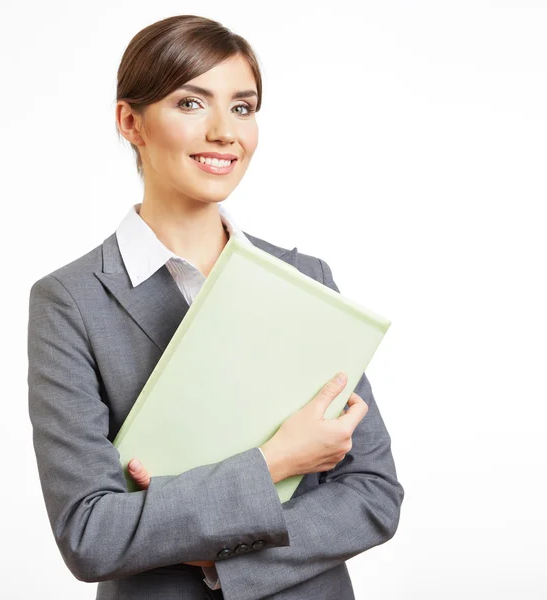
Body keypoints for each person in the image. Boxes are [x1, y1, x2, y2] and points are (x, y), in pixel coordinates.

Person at [27, 14, 405, 600]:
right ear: (132, 122)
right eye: (190, 104)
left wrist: (215, 555)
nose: (225, 132)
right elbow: (90, 531)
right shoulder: (70, 302)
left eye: (243, 107)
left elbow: (374, 494)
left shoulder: (306, 279)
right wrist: (275, 461)